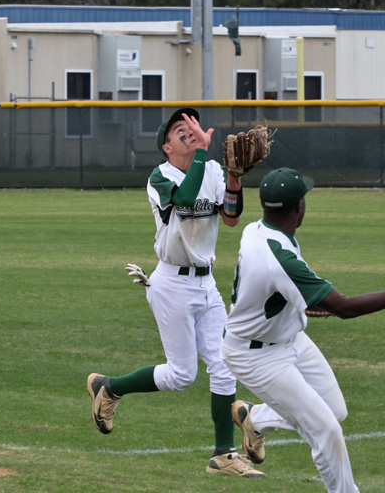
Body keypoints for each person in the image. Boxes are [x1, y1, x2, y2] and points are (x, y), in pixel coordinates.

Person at [220, 167, 385, 493]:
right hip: (254, 356)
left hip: (287, 336)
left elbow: (276, 288)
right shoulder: (279, 257)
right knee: (326, 429)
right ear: (298, 207)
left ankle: (256, 419)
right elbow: (346, 308)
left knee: (335, 411)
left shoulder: (258, 230)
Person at [87, 107, 265, 478]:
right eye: (178, 129)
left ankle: (223, 454)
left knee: (223, 364)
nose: (187, 130)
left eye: (191, 125)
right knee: (182, 376)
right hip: (171, 284)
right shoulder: (160, 176)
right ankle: (109, 387)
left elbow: (230, 217)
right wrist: (202, 152)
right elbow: (183, 202)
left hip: (206, 282)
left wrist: (233, 177)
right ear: (167, 147)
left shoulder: (212, 170)